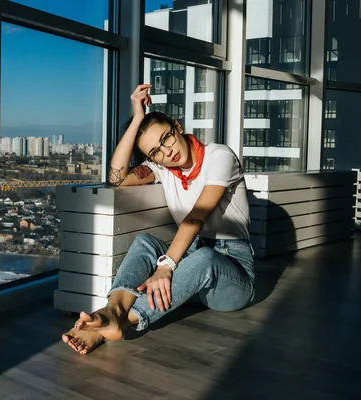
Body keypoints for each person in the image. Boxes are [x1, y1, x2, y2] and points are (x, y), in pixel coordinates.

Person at [62, 84, 256, 355]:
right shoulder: (163, 169)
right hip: (192, 259)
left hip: (233, 272)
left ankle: (124, 322)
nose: (167, 152)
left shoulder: (219, 156)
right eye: (156, 152)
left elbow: (197, 216)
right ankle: (111, 310)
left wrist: (166, 266)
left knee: (204, 258)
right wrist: (137, 120)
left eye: (166, 138)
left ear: (177, 126)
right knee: (145, 242)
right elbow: (115, 178)